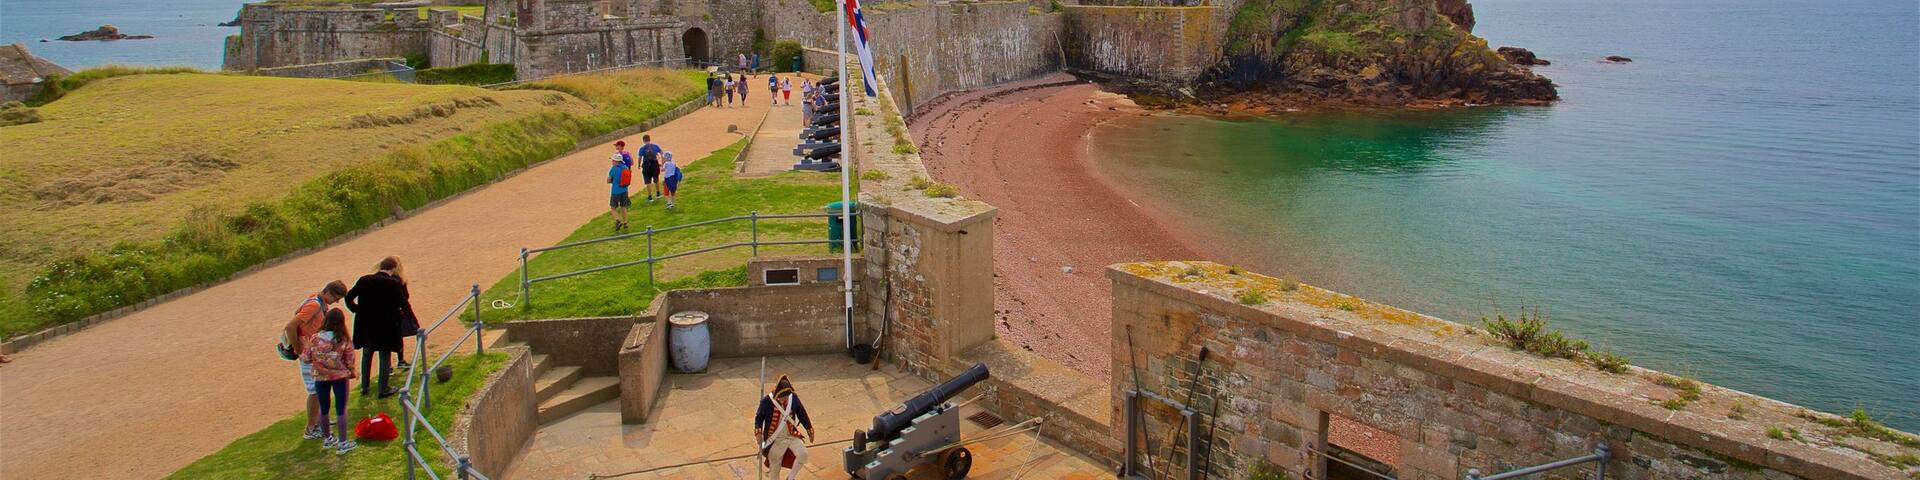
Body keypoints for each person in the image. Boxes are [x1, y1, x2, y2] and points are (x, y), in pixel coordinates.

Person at [344, 256, 416, 398]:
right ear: (393, 269)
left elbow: (348, 298)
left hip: (366, 324)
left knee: (367, 353)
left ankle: (364, 386)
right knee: (384, 354)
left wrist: (357, 310)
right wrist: (410, 318)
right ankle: (383, 388)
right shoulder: (393, 283)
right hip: (385, 325)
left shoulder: (364, 280)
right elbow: (403, 303)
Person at [285, 280, 348, 441]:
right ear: (328, 293)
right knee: (315, 391)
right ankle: (311, 428)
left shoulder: (317, 301)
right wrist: (299, 350)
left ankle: (319, 421)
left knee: (320, 390)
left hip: (313, 354)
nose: (336, 302)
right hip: (308, 355)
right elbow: (290, 327)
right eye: (336, 298)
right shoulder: (314, 305)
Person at [304, 308, 359, 454]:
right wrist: (352, 371)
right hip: (339, 377)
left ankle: (328, 439)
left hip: (320, 378)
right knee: (341, 409)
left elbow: (306, 357)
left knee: (324, 409)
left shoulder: (314, 338)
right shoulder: (343, 339)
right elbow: (350, 359)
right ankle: (343, 442)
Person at [754, 375, 814, 480]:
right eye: (782, 396)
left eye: (786, 396)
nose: (784, 399)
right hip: (774, 440)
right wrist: (758, 433)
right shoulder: (766, 401)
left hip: (791, 435)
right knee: (775, 468)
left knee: (803, 455)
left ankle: (790, 478)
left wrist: (809, 430)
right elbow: (759, 417)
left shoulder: (793, 398)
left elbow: (802, 413)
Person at [608, 153, 632, 231]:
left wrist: (613, 180)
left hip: (615, 191)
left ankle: (617, 220)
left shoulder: (613, 169)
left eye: (613, 160)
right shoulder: (625, 167)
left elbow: (608, 180)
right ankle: (625, 223)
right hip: (624, 190)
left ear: (616, 161)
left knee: (613, 207)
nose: (612, 162)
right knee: (623, 207)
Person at [637, 135, 664, 203]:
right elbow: (662, 153)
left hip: (646, 165)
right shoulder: (655, 146)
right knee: (656, 179)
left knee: (648, 181)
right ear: (649, 139)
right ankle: (658, 193)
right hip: (655, 164)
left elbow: (640, 158)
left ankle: (650, 197)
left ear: (643, 140)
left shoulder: (642, 148)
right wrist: (662, 162)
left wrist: (639, 165)